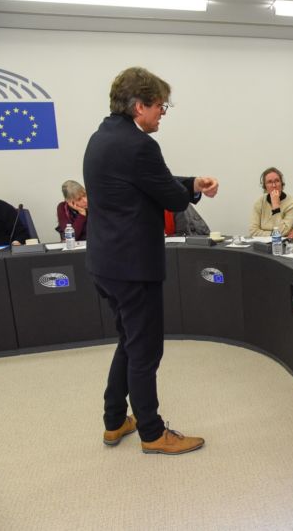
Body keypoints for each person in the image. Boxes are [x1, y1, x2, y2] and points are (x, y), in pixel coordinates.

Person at [84, 66, 219, 455]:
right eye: (160, 106)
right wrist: (190, 190)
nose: (162, 113)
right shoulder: (140, 145)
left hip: (106, 263)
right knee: (145, 351)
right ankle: (152, 432)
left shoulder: (101, 137)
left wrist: (191, 183)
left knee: (128, 342)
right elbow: (171, 198)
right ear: (139, 105)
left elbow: (149, 181)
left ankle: (114, 421)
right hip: (134, 267)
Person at [249, 167, 293, 238]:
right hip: (263, 243)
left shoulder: (292, 204)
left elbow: (282, 231)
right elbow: (253, 231)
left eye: (277, 181)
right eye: (269, 182)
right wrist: (273, 234)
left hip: (286, 243)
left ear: (281, 184)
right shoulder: (259, 202)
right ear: (265, 186)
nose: (274, 185)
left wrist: (276, 207)